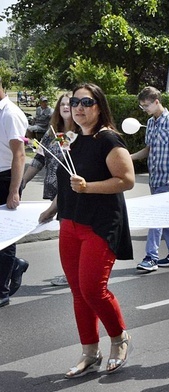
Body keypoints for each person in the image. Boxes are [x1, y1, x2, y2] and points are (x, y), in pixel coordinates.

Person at [38, 83, 135, 377]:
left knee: (93, 289)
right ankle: (90, 351)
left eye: (86, 102)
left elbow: (126, 180)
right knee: (78, 292)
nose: (79, 107)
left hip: (100, 222)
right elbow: (70, 182)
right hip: (71, 220)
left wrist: (88, 187)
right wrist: (53, 208)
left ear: (99, 106)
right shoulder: (73, 141)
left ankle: (119, 338)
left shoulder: (109, 140)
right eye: (75, 102)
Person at [132, 86, 169, 272]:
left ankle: (151, 257)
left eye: (147, 105)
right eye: (142, 106)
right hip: (156, 178)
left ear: (157, 101)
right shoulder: (151, 123)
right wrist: (128, 157)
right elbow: (148, 149)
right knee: (165, 216)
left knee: (156, 216)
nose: (145, 109)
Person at [21, 93, 75, 287]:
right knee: (66, 233)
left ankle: (73, 273)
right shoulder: (53, 132)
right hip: (55, 189)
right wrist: (23, 181)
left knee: (70, 234)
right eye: (63, 104)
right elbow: (39, 158)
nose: (66, 107)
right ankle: (73, 272)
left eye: (70, 103)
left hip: (72, 191)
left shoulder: (78, 133)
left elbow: (71, 160)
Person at [0, 76, 30, 308]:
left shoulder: (10, 114)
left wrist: (14, 190)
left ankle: (2, 291)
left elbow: (19, 155)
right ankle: (16, 264)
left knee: (5, 237)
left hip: (6, 178)